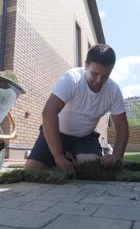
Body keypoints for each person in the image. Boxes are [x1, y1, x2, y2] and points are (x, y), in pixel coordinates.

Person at [24, 44, 129, 177]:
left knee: (93, 168)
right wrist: (58, 156)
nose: (99, 80)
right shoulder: (71, 79)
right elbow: (48, 112)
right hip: (56, 133)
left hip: (85, 137)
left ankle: (74, 157)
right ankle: (64, 157)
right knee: (32, 169)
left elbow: (122, 125)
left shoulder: (113, 90)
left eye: (105, 76)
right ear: (86, 65)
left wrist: (117, 156)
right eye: (94, 73)